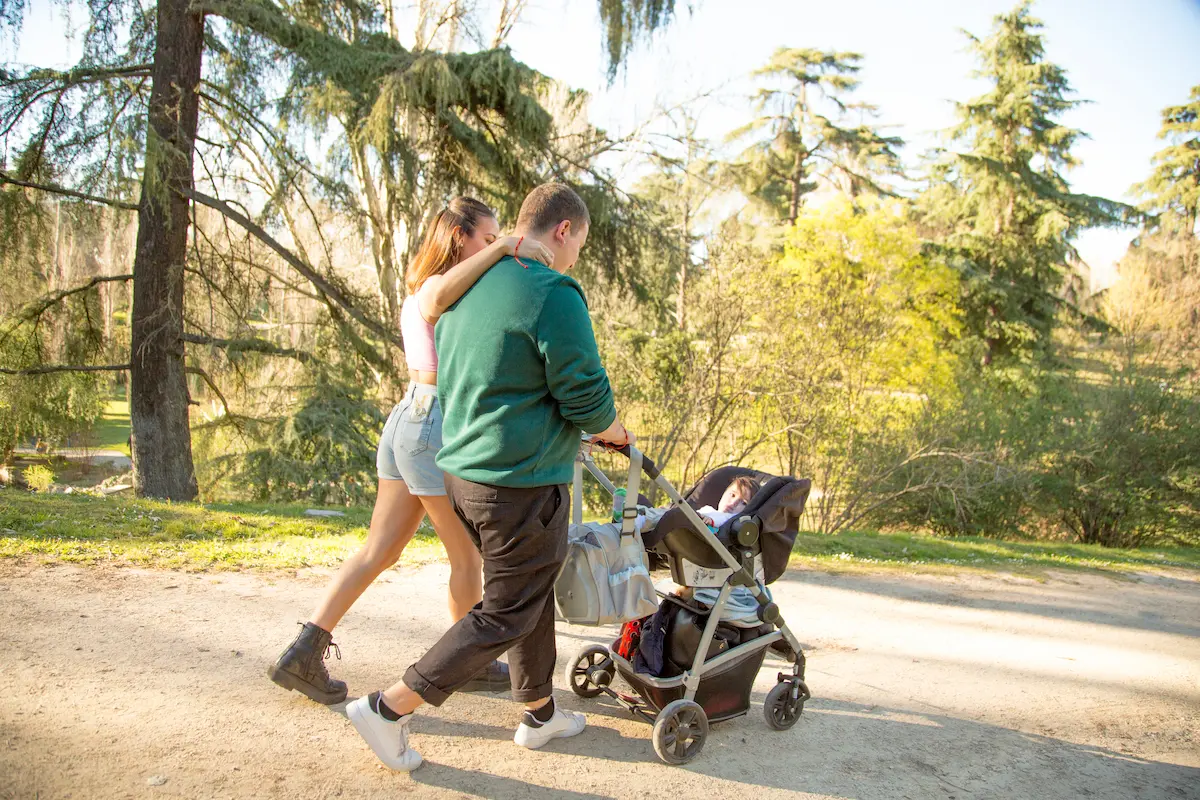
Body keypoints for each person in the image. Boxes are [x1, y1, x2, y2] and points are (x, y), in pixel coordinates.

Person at [345, 183, 634, 771]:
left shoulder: (467, 290)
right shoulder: (553, 290)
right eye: (579, 241)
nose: (576, 254)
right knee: (505, 608)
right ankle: (388, 708)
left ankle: (539, 711)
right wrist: (613, 429)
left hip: (463, 473)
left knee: (527, 589)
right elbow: (582, 391)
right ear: (563, 230)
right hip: (520, 482)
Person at [267, 197, 555, 705]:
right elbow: (440, 297)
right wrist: (510, 246)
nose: (493, 248)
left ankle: (304, 652)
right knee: (466, 555)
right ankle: (469, 659)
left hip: (411, 419)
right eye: (485, 239)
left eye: (497, 239)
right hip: (433, 424)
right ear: (457, 237)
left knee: (381, 550)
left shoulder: (449, 289)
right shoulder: (434, 289)